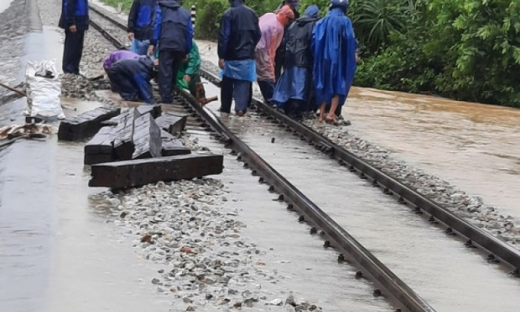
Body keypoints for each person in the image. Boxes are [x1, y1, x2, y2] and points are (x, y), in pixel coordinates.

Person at [312, 0, 357, 125]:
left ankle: (321, 114)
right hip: (338, 58)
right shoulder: (346, 21)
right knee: (338, 83)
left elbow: (315, 39)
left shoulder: (322, 21)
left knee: (323, 81)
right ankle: (331, 114)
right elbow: (349, 40)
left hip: (323, 57)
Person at [272, 5, 319, 119]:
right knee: (299, 87)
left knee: (288, 84)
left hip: (290, 58)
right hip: (303, 60)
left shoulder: (293, 24)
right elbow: (314, 44)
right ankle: (296, 111)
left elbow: (285, 41)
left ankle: (285, 106)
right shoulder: (314, 25)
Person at [218, 0, 261, 116]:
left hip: (231, 56)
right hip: (247, 56)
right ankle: (241, 108)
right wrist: (251, 46)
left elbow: (224, 37)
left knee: (227, 81)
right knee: (243, 82)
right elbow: (258, 34)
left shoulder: (229, 14)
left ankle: (225, 108)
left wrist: (221, 56)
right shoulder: (252, 14)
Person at [150, 0, 193, 104]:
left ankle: (166, 98)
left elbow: (157, 25)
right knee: (174, 70)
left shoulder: (161, 9)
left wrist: (153, 42)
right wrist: (186, 50)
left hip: (166, 43)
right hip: (179, 46)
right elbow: (189, 33)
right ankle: (170, 92)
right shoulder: (185, 13)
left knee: (165, 71)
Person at [255, 6, 295, 103]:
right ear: (286, 18)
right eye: (289, 21)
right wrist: (272, 63)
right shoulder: (278, 27)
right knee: (267, 75)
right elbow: (272, 48)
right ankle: (271, 98)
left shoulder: (269, 15)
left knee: (259, 73)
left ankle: (268, 97)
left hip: (253, 45)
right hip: (263, 49)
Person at [59, 0, 89, 74]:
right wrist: (71, 22)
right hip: (75, 20)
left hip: (80, 20)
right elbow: (69, 5)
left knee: (77, 47)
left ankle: (74, 68)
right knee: (72, 47)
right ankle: (69, 69)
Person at [274, 0, 300, 80]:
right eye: (292, 5)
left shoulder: (296, 14)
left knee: (288, 68)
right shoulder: (277, 13)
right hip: (278, 44)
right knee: (276, 68)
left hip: (290, 44)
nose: (293, 7)